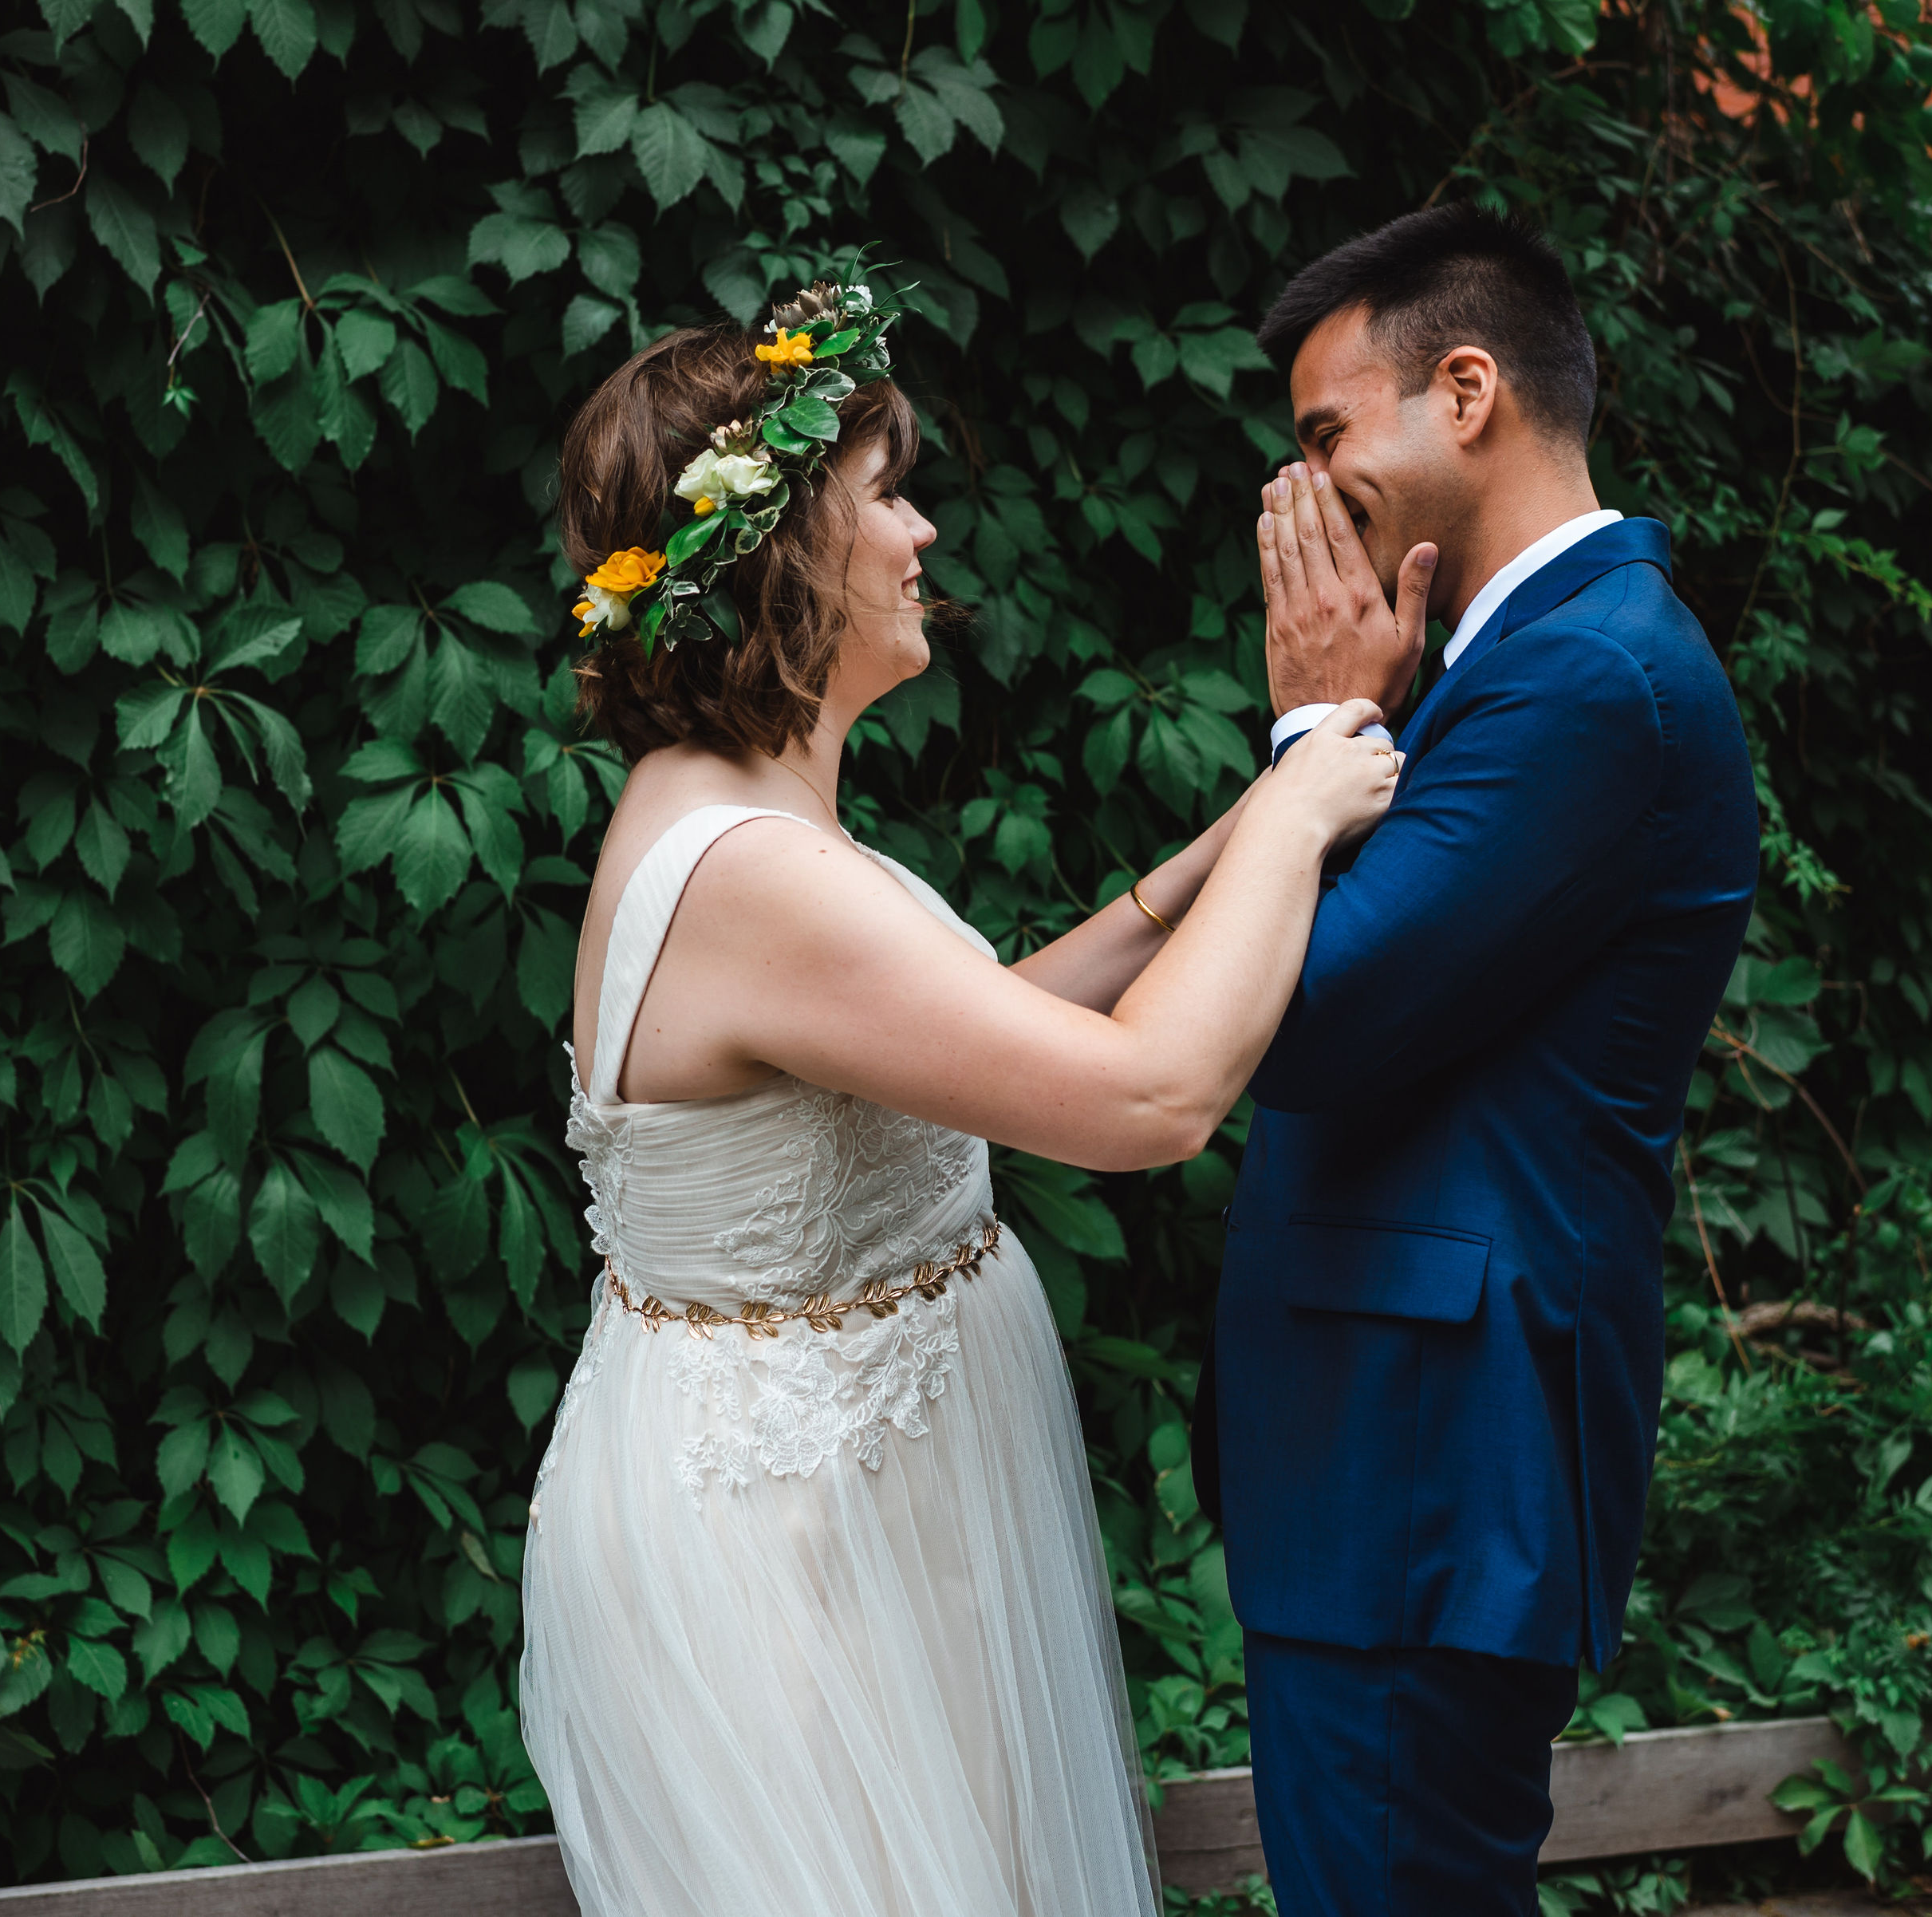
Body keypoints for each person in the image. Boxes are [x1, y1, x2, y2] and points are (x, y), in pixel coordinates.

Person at [517, 279, 1397, 1917]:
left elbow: (972, 1043)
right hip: (782, 1544)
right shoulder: (753, 867)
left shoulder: (741, 815)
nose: (922, 533)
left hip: (860, 1505)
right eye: (886, 497)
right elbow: (1145, 1098)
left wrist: (1218, 847)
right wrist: (1291, 814)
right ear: (782, 552)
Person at [1197, 205, 1760, 1916]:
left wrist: (1315, 733)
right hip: (1392, 1462)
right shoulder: (1516, 661)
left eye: (1323, 433)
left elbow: (1312, 1021)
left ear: (1464, 390)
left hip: (1425, 1471)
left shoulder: (1590, 674)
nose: (1305, 487)